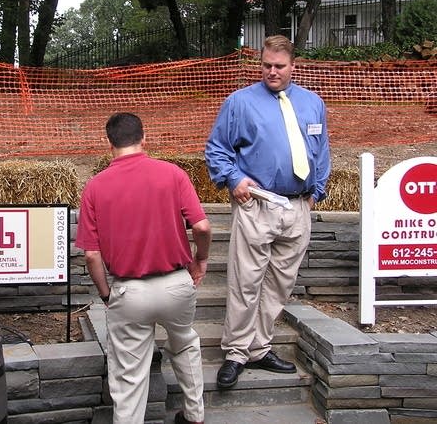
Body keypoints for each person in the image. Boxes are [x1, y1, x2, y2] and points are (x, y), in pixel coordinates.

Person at [205, 35, 331, 389]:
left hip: (298, 206)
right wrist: (233, 178)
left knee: (279, 285)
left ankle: (259, 348)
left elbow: (320, 151)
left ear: (294, 66)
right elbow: (217, 148)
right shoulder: (240, 103)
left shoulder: (312, 103)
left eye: (279, 66)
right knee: (246, 282)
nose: (272, 72)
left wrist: (315, 193)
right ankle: (235, 353)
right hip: (256, 204)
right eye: (266, 65)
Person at [75, 112, 211, 424]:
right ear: (143, 137)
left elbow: (92, 257)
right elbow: (202, 226)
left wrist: (107, 295)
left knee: (129, 374)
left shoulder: (94, 187)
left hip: (130, 290)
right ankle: (194, 416)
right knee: (185, 344)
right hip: (178, 284)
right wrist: (200, 260)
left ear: (109, 143)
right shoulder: (173, 174)